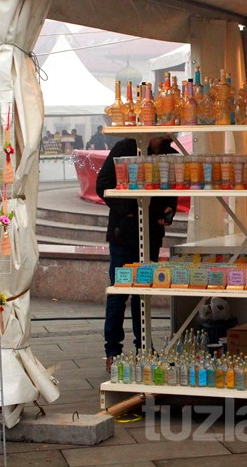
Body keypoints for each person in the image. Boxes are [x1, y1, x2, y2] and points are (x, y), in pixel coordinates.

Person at [96, 135, 177, 372]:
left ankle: (144, 346)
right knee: (119, 292)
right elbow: (103, 185)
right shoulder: (125, 148)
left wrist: (168, 210)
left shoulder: (170, 156)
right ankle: (113, 351)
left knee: (144, 291)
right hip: (125, 232)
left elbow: (172, 191)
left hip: (151, 232)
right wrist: (131, 210)